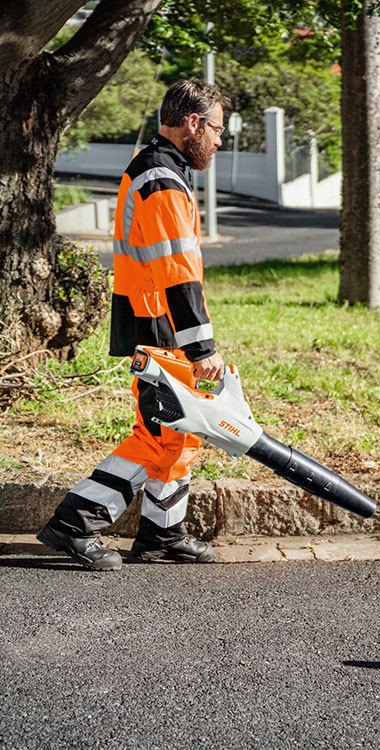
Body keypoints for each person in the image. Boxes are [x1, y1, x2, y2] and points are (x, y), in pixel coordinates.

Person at [36, 79, 231, 571]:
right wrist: (201, 346)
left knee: (178, 431)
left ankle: (163, 534)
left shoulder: (160, 169)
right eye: (217, 129)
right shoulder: (161, 178)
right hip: (158, 321)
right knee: (159, 434)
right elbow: (177, 270)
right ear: (192, 123)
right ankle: (74, 522)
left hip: (155, 318)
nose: (219, 140)